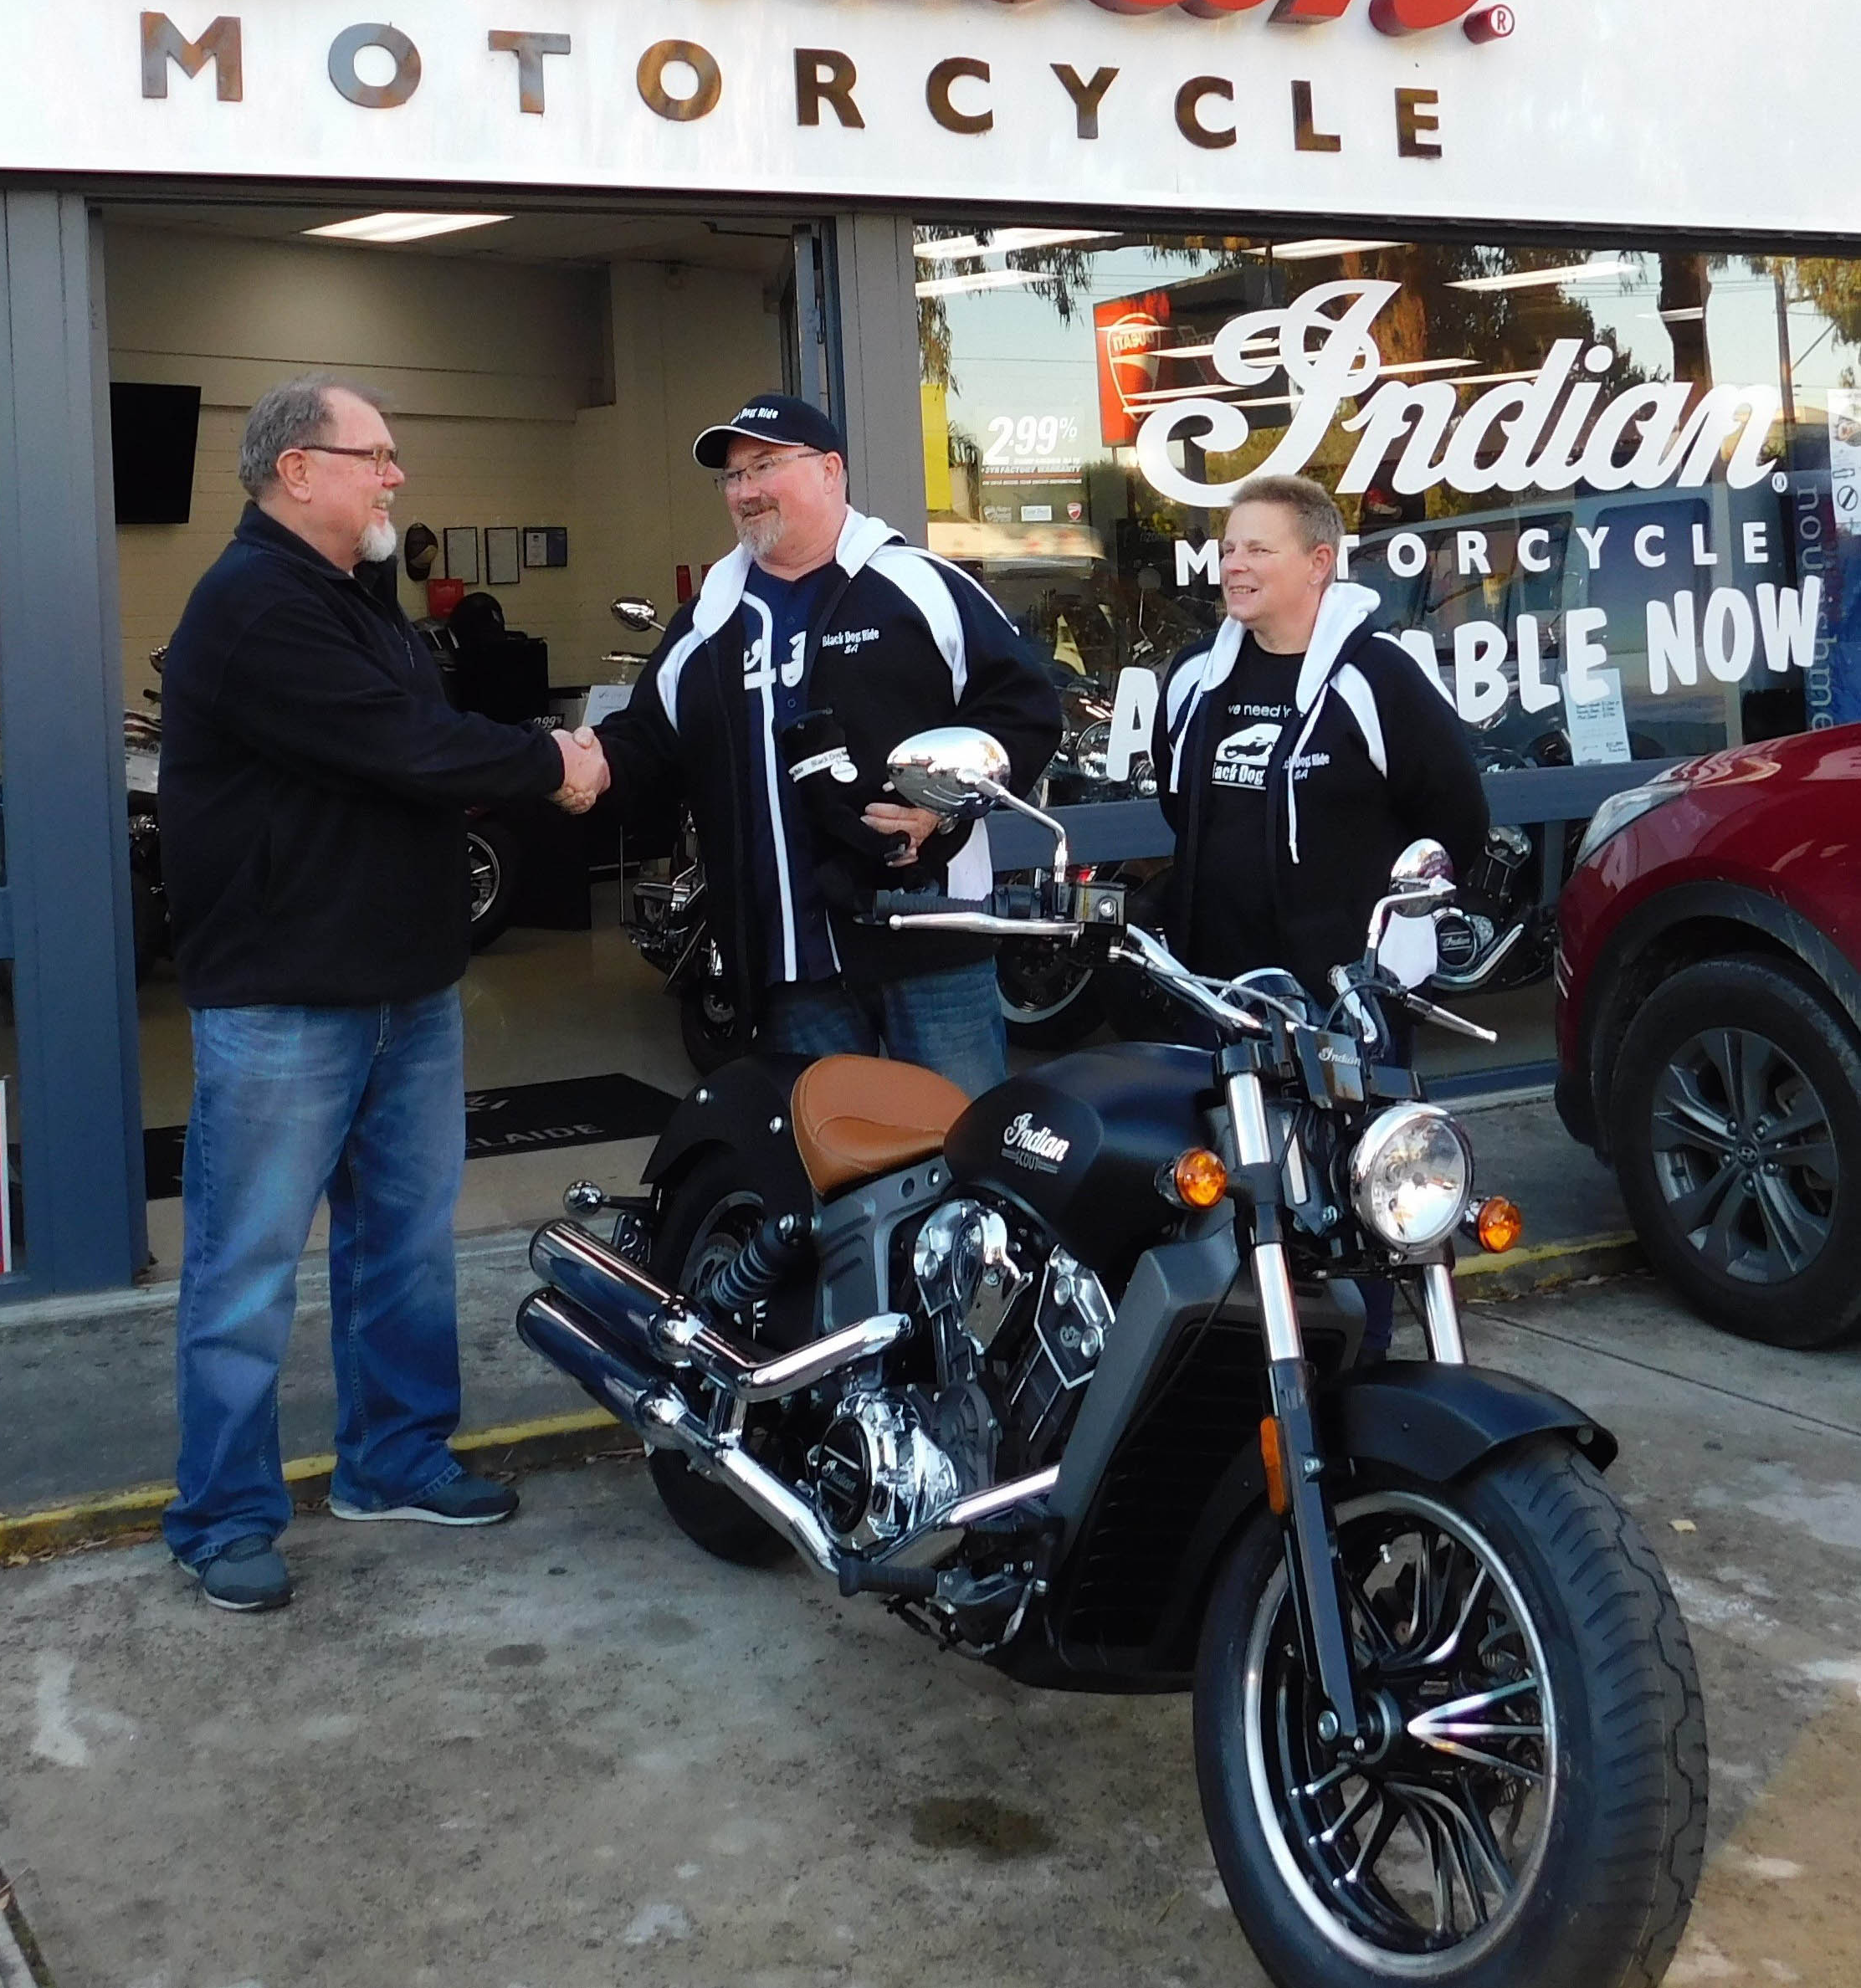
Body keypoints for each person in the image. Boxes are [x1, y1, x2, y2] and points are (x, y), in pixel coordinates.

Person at [157, 375, 607, 1612]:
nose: (395, 477)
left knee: (402, 1250)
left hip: (405, 988)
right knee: (245, 1270)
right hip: (288, 1000)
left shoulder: (355, 602)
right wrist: (551, 763)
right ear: (298, 469)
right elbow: (405, 745)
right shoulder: (254, 604)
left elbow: (417, 736)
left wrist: (511, 755)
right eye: (376, 456)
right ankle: (221, 1516)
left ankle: (394, 1459)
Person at [598, 393, 1060, 1097]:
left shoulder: (918, 585)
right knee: (834, 1182)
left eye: (765, 466)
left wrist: (944, 806)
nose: (745, 490)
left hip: (928, 938)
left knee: (959, 1156)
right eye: (732, 475)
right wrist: (576, 767)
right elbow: (646, 746)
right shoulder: (709, 622)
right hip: (789, 962)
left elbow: (1025, 710)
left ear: (830, 471)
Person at [1150, 471, 1488, 1354]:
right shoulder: (1195, 676)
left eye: (1258, 547)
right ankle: (1254, 1379)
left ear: (1320, 563)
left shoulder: (1378, 675)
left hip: (1344, 1007)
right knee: (1231, 1203)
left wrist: (1390, 943)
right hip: (1218, 997)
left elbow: (1456, 818)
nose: (1235, 563)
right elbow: (1175, 803)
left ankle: (1355, 1383)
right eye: (1228, 547)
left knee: (1352, 1213)